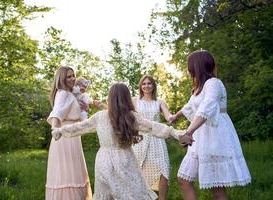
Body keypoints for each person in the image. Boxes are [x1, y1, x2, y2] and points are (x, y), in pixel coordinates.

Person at [52, 83, 193, 200]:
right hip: (125, 158)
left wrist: (60, 131)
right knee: (131, 191)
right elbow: (153, 127)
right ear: (126, 98)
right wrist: (177, 133)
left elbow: (80, 127)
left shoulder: (100, 116)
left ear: (110, 98)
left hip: (103, 159)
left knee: (106, 194)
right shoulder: (131, 116)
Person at [171, 50, 251, 200]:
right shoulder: (198, 88)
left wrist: (188, 132)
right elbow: (189, 106)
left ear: (197, 67)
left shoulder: (214, 83)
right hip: (200, 137)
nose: (189, 71)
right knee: (183, 179)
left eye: (190, 67)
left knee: (216, 189)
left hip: (215, 137)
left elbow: (207, 107)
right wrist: (175, 116)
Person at [46, 66, 92, 200]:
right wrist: (55, 130)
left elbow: (77, 116)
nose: (73, 79)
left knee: (75, 174)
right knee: (68, 175)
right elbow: (57, 113)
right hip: (65, 138)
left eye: (73, 75)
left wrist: (84, 108)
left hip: (73, 137)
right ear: (61, 79)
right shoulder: (63, 93)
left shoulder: (71, 94)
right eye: (69, 76)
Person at [131, 75, 175, 200]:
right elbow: (121, 111)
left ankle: (162, 198)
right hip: (140, 140)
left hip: (157, 139)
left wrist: (173, 117)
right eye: (143, 84)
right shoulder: (135, 101)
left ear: (154, 86)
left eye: (149, 83)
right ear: (140, 87)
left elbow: (168, 116)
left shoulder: (159, 102)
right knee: (138, 171)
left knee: (163, 169)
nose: (146, 86)